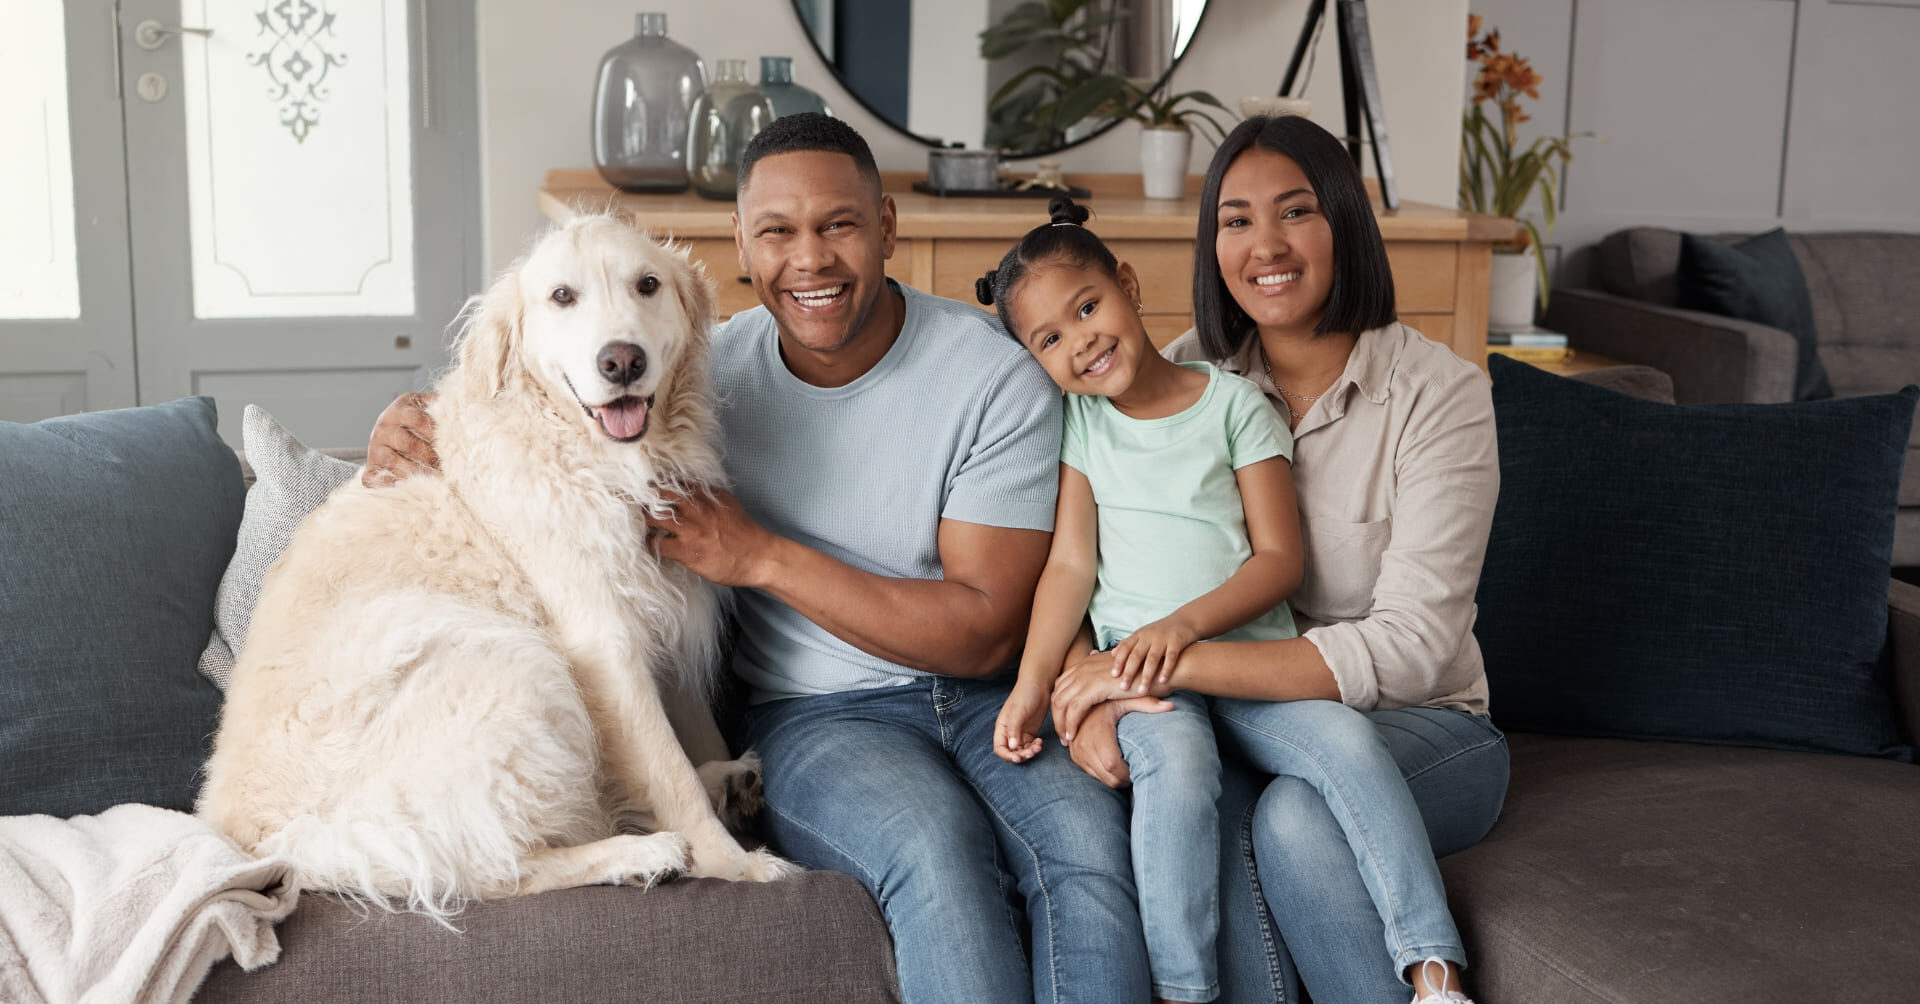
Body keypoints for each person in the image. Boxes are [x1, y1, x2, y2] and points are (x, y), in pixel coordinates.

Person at [363, 114, 1149, 1004]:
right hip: (821, 719)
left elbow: (978, 635)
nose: (809, 259)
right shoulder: (700, 373)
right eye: (777, 232)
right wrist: (412, 429)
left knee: (1087, 857)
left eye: (839, 225)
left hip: (988, 694)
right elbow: (536, 420)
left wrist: (761, 555)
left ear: (888, 226)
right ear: (739, 243)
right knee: (937, 854)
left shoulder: (992, 375)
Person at [1048, 114, 1510, 1004]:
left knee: (1296, 815)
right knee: (1196, 803)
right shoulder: (1175, 378)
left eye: (1295, 212)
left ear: (1345, 223)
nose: (1266, 244)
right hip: (1227, 714)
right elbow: (1080, 562)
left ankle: (1433, 983)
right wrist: (1083, 687)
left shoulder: (1439, 397)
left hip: (1423, 720)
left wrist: (1148, 662)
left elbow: (1411, 647)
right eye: (1235, 219)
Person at [976, 195, 1303, 1004]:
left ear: (1128, 284)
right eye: (1049, 338)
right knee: (1179, 761)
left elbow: (1279, 558)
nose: (1080, 340)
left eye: (1088, 307)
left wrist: (1178, 632)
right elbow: (1069, 568)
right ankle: (1182, 989)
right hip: (1144, 678)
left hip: (1244, 658)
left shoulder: (1230, 405)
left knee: (1320, 781)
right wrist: (1035, 682)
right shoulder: (1080, 427)